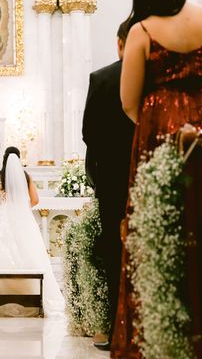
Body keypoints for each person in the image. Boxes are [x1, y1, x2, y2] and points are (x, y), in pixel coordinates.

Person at [114, 0, 202, 358]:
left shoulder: (142, 31)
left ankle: (166, 335)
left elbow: (128, 100)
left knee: (166, 238)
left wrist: (160, 119)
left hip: (164, 139)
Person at [82, 18, 135, 350]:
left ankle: (120, 330)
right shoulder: (159, 76)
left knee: (115, 253)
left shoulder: (101, 78)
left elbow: (89, 133)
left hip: (113, 178)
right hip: (146, 171)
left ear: (119, 43)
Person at [0, 146, 64, 318]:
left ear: (4, 159)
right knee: (27, 254)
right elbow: (35, 200)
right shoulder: (26, 176)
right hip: (24, 221)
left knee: (0, 257)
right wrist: (21, 208)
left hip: (2, 221)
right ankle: (31, 297)